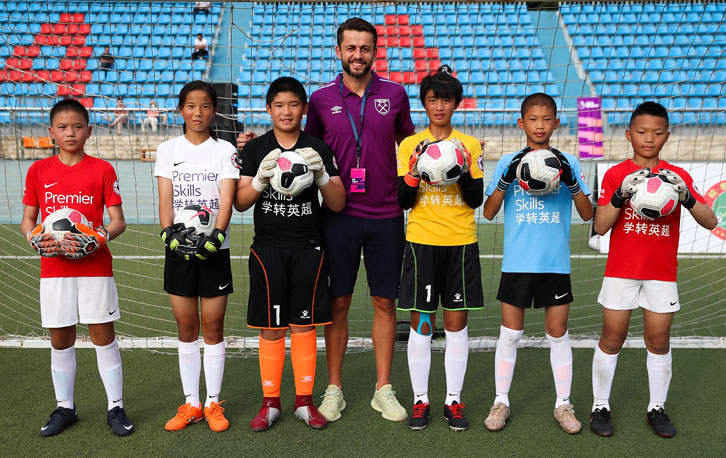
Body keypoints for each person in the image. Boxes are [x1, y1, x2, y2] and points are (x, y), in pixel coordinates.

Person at [236, 17, 415, 423]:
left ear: (374, 52)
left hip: (387, 213)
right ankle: (333, 388)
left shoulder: (395, 94)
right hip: (336, 218)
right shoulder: (317, 100)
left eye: (365, 48)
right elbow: (305, 150)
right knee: (337, 303)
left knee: (386, 301)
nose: (358, 55)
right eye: (350, 48)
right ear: (338, 51)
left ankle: (382, 388)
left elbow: (408, 144)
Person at [589, 102, 717, 438]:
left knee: (658, 341)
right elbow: (600, 226)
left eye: (657, 133)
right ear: (629, 134)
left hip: (661, 274)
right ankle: (600, 406)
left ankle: (656, 408)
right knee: (612, 338)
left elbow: (711, 221)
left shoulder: (677, 177)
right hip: (621, 271)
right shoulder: (616, 173)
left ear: (667, 136)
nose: (649, 139)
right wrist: (620, 195)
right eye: (642, 132)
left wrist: (686, 197)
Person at [234, 77, 346, 431]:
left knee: (304, 325)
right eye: (279, 105)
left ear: (304, 109)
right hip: (267, 248)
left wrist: (323, 175)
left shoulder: (317, 148)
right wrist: (259, 180)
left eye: (293, 105)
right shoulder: (256, 149)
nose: (286, 111)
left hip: (308, 248)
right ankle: (269, 404)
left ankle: (304, 401)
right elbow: (238, 202)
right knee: (271, 328)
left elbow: (338, 203)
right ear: (268, 109)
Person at [21, 98, 133, 437]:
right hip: (54, 269)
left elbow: (118, 221)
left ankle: (115, 406)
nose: (71, 132)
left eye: (78, 126)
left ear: (88, 130)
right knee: (60, 338)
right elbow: (28, 220)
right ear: (51, 132)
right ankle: (65, 407)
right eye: (63, 127)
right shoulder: (38, 171)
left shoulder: (102, 170)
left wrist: (97, 238)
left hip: (95, 268)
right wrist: (34, 238)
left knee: (103, 336)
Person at [482, 93, 593, 434]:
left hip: (555, 263)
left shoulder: (568, 161)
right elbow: (488, 212)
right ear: (522, 123)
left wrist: (572, 182)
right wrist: (505, 181)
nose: (540, 125)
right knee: (511, 334)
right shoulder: (508, 161)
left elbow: (589, 214)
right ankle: (501, 400)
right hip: (517, 261)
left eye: (547, 119)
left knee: (558, 335)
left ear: (556, 123)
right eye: (533, 119)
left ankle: (563, 405)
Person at [397, 66, 484, 431]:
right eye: (433, 99)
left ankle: (453, 400)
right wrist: (416, 169)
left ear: (455, 103)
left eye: (446, 99)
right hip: (422, 242)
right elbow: (403, 199)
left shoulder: (470, 145)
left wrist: (460, 166)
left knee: (456, 324)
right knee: (421, 324)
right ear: (425, 102)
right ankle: (420, 400)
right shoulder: (409, 145)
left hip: (461, 242)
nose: (439, 105)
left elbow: (476, 198)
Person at [154, 81, 238, 432]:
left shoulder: (225, 150)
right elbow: (165, 199)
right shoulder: (167, 149)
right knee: (186, 327)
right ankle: (191, 404)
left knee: (214, 327)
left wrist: (216, 236)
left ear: (213, 110)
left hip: (215, 250)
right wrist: (167, 233)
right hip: (178, 249)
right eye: (191, 106)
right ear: (180, 111)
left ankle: (213, 403)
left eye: (205, 106)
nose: (198, 113)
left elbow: (228, 197)